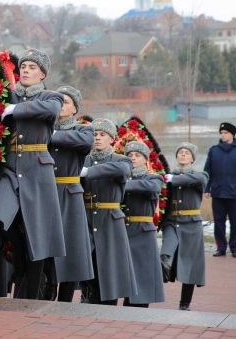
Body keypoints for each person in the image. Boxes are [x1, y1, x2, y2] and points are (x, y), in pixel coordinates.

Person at [0, 48, 66, 300]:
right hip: (10, 168)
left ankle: (33, 292)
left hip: (37, 169)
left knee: (39, 233)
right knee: (1, 218)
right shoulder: (7, 95)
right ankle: (17, 256)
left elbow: (50, 112)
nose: (26, 70)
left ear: (42, 73)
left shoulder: (51, 97)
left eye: (32, 67)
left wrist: (15, 111)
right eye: (23, 66)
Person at [44, 85, 94, 302]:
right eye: (57, 101)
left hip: (69, 194)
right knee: (45, 246)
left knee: (70, 248)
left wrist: (51, 134)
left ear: (75, 108)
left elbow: (85, 142)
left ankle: (65, 299)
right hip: (46, 192)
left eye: (65, 101)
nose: (60, 105)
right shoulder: (44, 127)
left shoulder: (84, 130)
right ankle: (46, 292)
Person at [80, 118, 136, 305]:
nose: (97, 138)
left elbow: (122, 169)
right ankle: (88, 296)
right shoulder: (83, 159)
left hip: (109, 220)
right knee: (88, 262)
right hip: (86, 217)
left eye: (102, 135)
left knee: (110, 266)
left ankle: (109, 304)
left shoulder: (121, 160)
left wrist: (90, 172)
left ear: (112, 139)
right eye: (94, 134)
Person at [160, 142, 209, 311]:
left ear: (192, 159)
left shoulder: (200, 176)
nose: (183, 154)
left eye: (187, 153)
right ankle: (164, 267)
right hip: (172, 222)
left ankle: (184, 304)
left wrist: (175, 179)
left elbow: (199, 179)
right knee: (166, 251)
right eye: (180, 152)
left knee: (190, 265)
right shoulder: (167, 176)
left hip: (191, 225)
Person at [122, 141, 165, 308]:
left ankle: (139, 307)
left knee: (142, 271)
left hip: (142, 231)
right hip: (123, 229)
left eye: (137, 155)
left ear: (145, 159)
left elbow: (150, 187)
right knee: (125, 270)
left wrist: (120, 184)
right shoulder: (122, 176)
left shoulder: (153, 177)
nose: (133, 158)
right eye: (129, 155)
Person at [203, 122, 236, 258]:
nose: (223, 135)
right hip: (218, 192)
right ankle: (221, 248)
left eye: (225, 133)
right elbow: (208, 172)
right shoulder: (214, 151)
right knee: (219, 222)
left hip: (235, 194)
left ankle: (235, 248)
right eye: (221, 133)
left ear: (232, 134)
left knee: (235, 223)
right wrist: (207, 188)